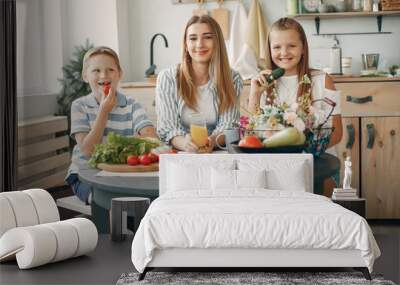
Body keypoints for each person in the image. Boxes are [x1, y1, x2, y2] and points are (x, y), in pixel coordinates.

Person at [247, 17, 343, 190]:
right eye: (277, 47)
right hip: (277, 167)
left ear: (303, 48)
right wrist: (254, 94)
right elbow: (254, 134)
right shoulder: (264, 83)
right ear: (270, 50)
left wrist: (302, 155)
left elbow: (337, 133)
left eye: (291, 45)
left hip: (319, 165)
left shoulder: (323, 80)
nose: (284, 52)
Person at [66, 46, 157, 204]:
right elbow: (87, 150)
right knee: (109, 201)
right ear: (85, 76)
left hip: (120, 175)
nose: (104, 75)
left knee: (140, 201)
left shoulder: (131, 104)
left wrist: (118, 146)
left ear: (119, 74)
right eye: (96, 71)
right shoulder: (79, 106)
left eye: (110, 70)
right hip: (86, 176)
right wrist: (103, 111)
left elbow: (151, 136)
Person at [156, 15, 243, 153]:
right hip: (181, 152)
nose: (200, 44)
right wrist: (185, 143)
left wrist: (211, 141)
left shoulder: (232, 78)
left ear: (217, 42)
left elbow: (229, 126)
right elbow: (167, 127)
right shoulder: (168, 78)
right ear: (186, 44)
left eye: (207, 37)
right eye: (193, 38)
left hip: (217, 152)